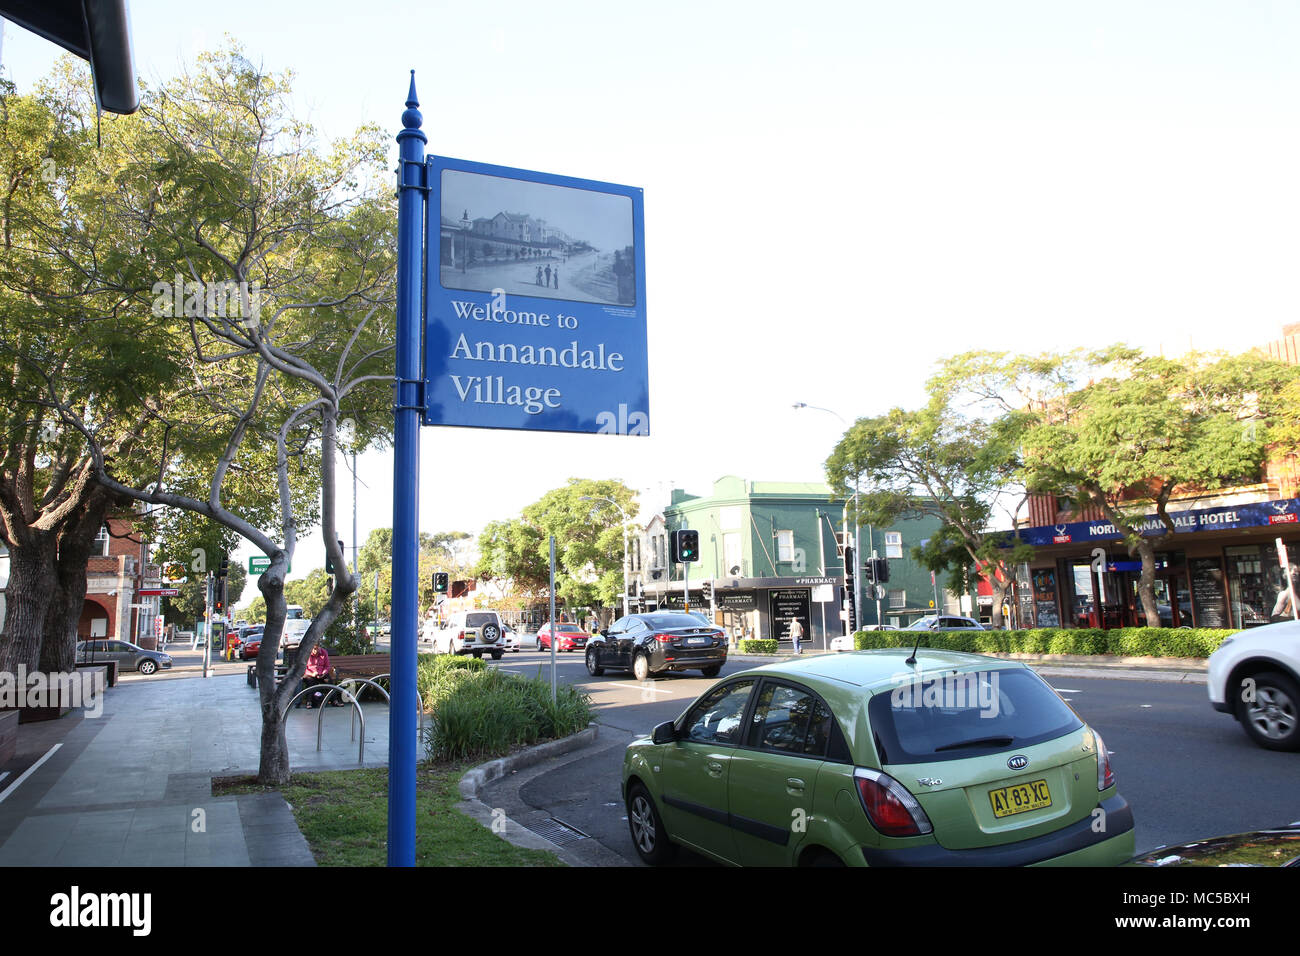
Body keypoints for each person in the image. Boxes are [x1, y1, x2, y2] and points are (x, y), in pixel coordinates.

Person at [300, 642, 332, 708]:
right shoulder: (306, 653)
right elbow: (303, 668)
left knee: (329, 680)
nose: (315, 651)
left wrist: (323, 673)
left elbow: (327, 666)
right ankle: (309, 702)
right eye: (313, 649)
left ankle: (335, 700)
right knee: (311, 682)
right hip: (309, 674)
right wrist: (312, 673)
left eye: (316, 649)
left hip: (321, 673)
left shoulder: (324, 652)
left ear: (319, 647)